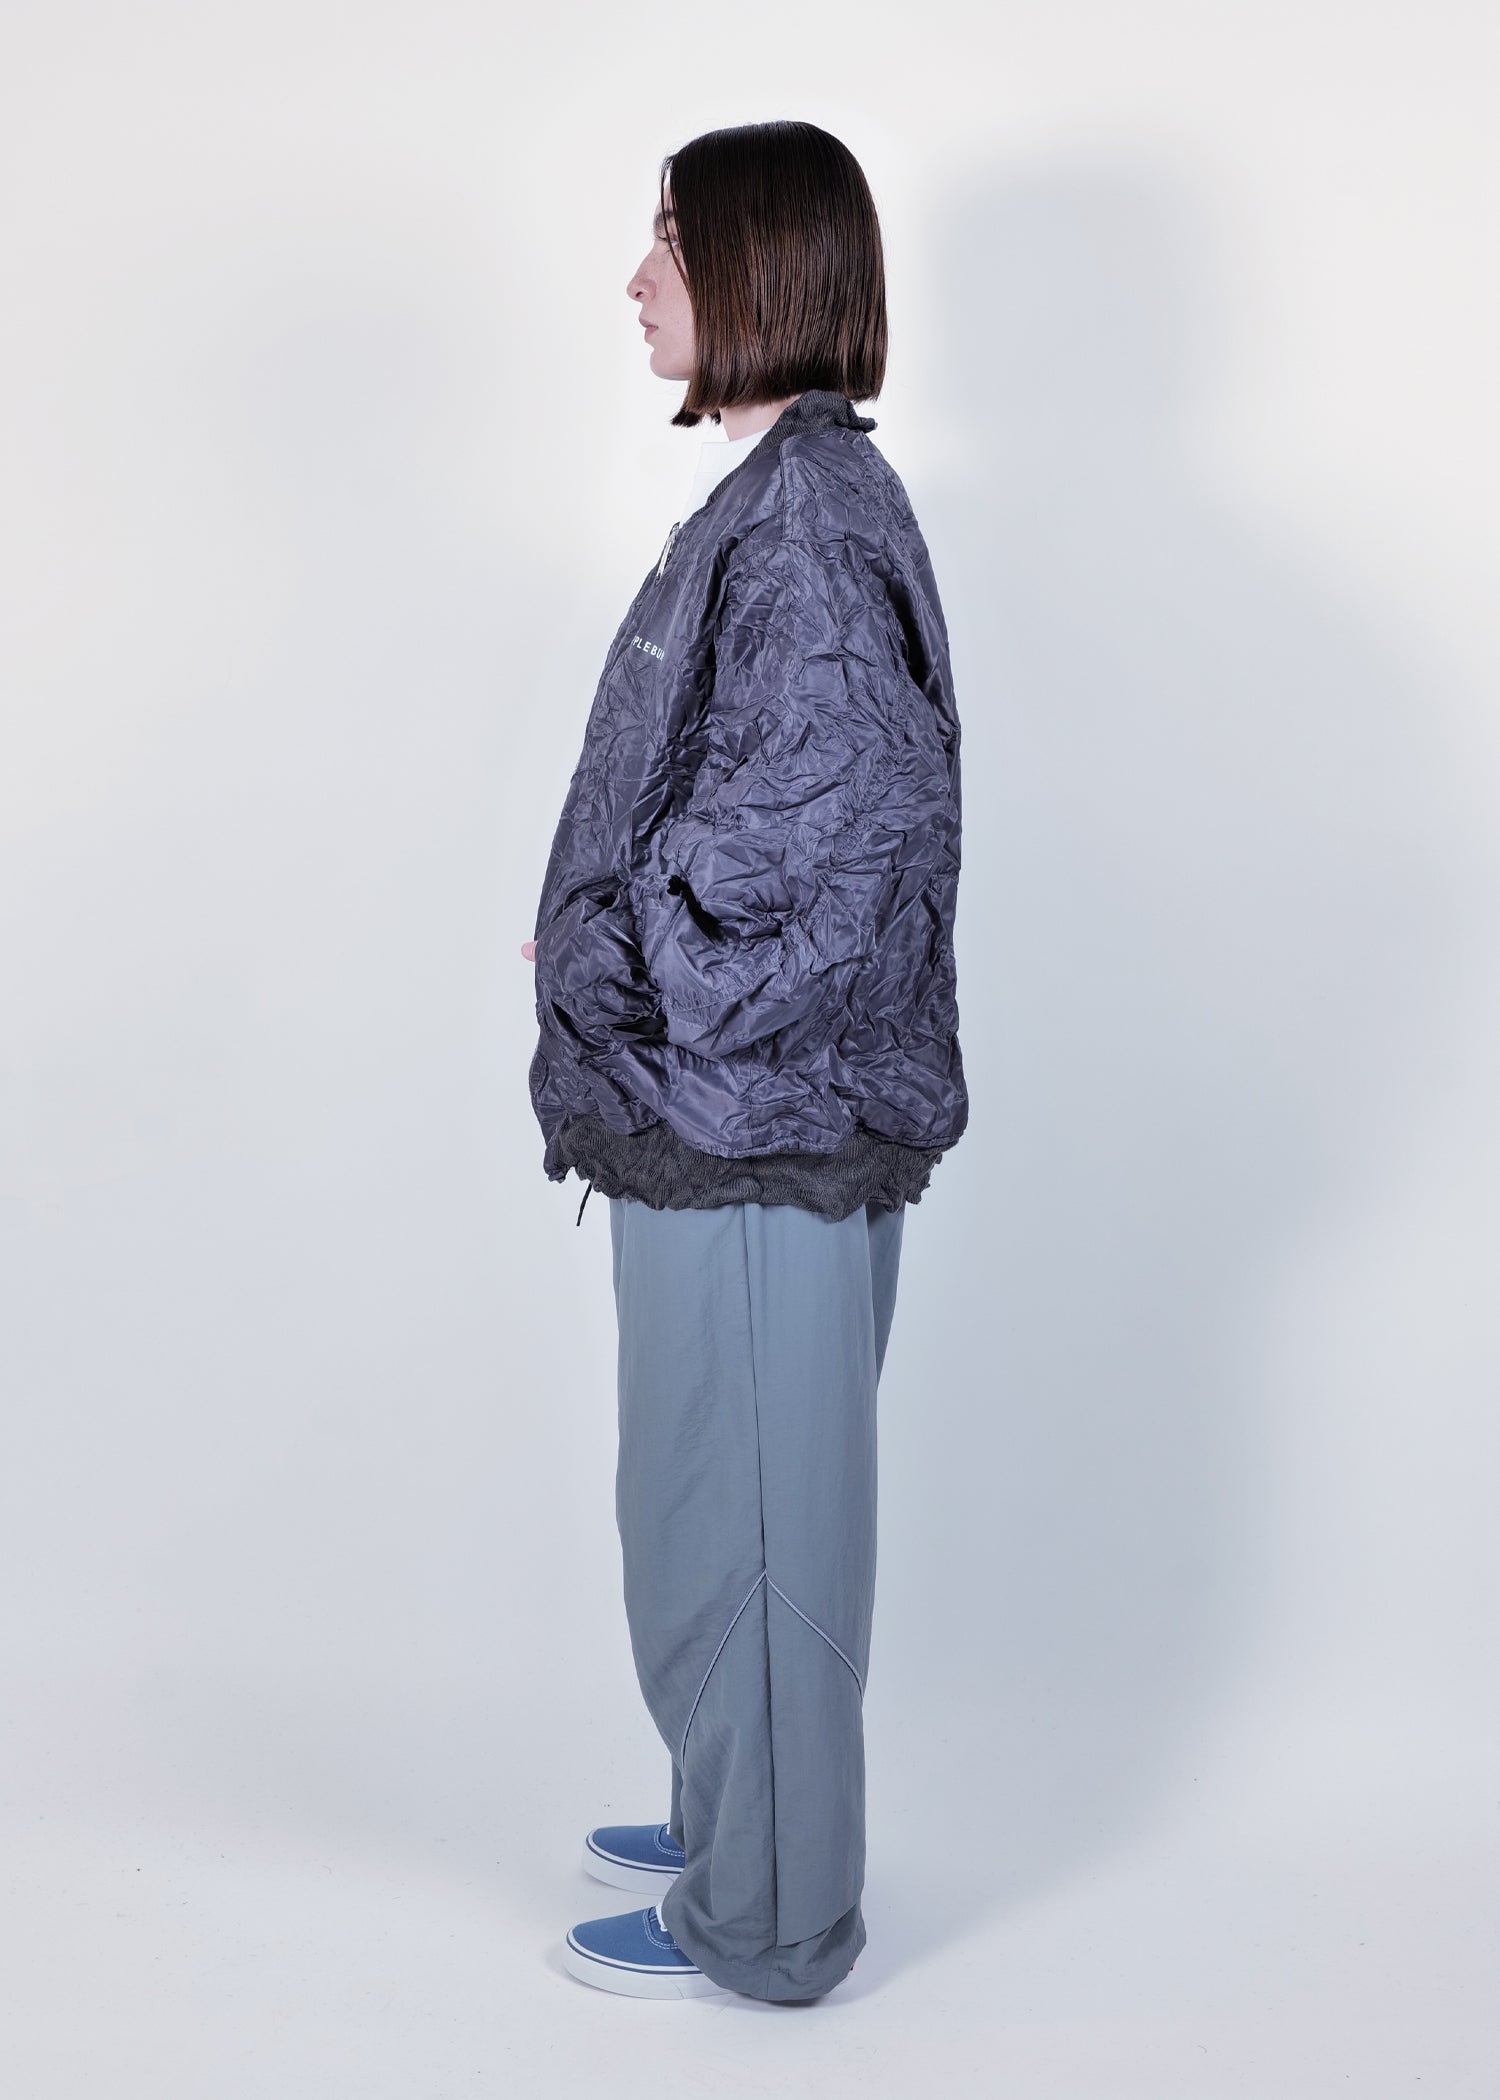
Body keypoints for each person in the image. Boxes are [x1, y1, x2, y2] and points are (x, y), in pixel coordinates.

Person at [523, 120, 968, 2003]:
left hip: (756, 1128)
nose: (639, 279)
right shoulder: (786, 497)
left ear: (767, 267)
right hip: (724, 1119)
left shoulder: (803, 525)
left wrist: (609, 945)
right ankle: (735, 1818)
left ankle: (772, 1917)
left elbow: (835, 856)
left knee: (752, 1531)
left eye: (673, 242)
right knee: (712, 1506)